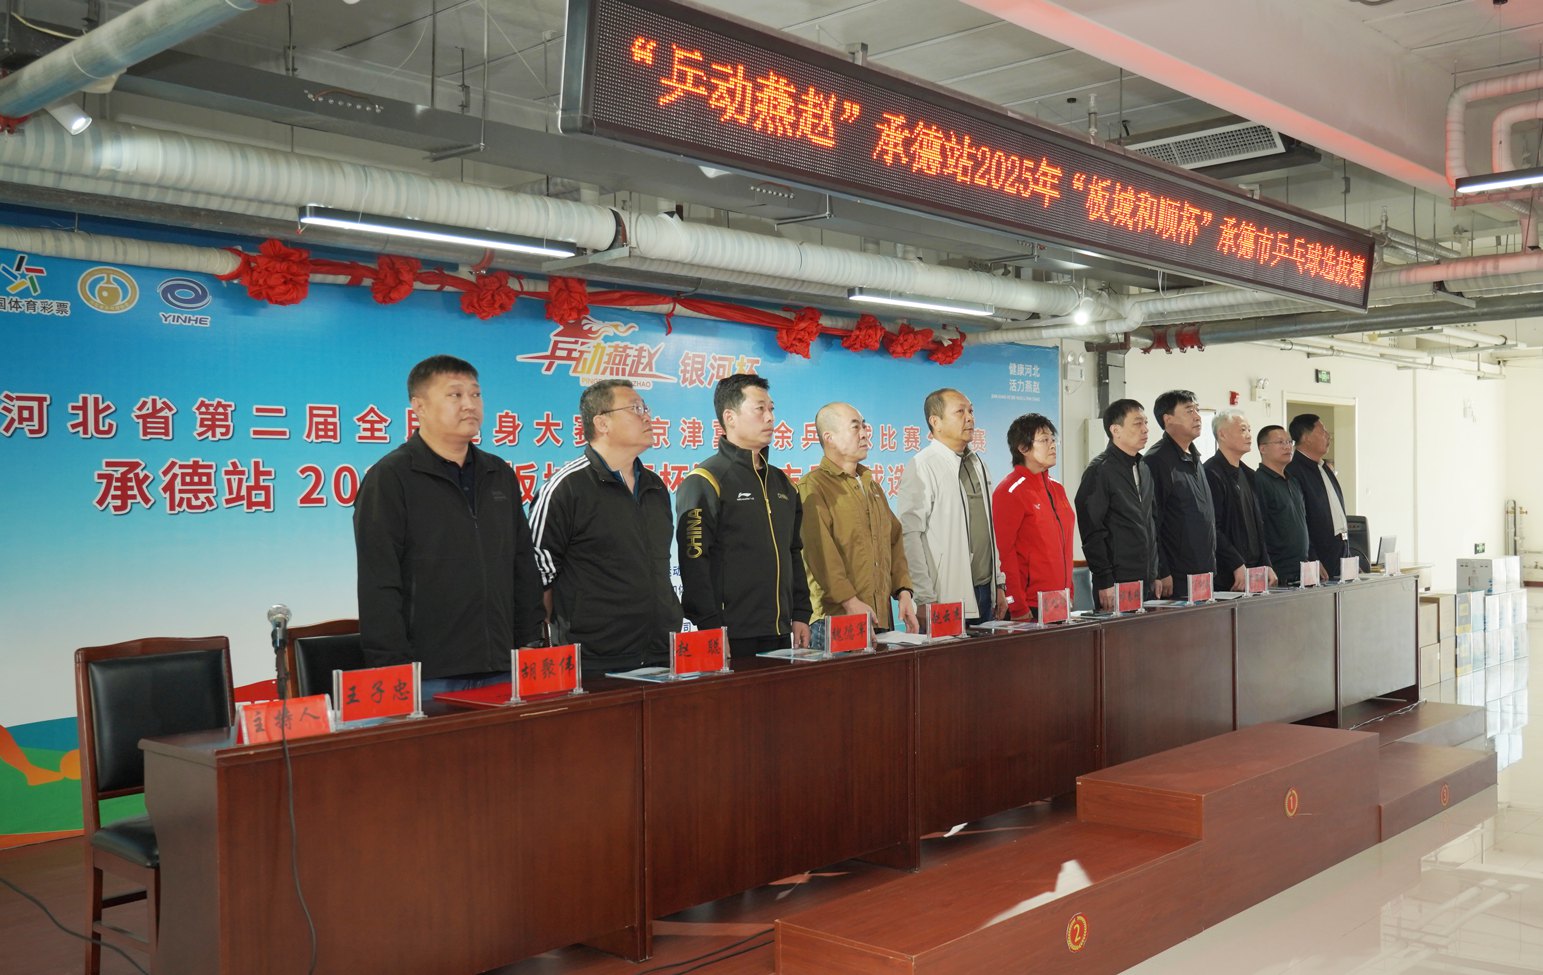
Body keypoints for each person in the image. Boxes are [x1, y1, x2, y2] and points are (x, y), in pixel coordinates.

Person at [354, 355, 544, 695]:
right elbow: (378, 581)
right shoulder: (391, 478)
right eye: (455, 395)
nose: (469, 404)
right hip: (428, 673)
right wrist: (392, 669)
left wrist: (530, 641)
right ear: (419, 406)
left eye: (476, 394)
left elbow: (522, 564)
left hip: (503, 664)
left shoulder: (498, 473)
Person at [529, 379, 683, 676]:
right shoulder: (566, 488)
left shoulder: (654, 486)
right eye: (635, 409)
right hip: (594, 661)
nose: (647, 417)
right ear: (602, 423)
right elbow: (538, 578)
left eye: (645, 408)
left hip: (661, 653)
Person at [676, 373, 812, 656]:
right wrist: (711, 626)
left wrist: (800, 612)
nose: (770, 417)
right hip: (731, 633)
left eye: (771, 409)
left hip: (780, 631)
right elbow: (694, 560)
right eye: (759, 409)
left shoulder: (783, 484)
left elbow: (793, 551)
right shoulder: (706, 480)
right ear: (730, 417)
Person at [799, 402, 918, 633]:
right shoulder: (813, 486)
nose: (864, 433)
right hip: (836, 621)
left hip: (879, 616)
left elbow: (894, 540)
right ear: (829, 438)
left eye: (864, 426)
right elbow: (820, 555)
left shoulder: (872, 486)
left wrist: (903, 591)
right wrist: (850, 602)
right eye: (855, 427)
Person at [896, 388, 1007, 626]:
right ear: (935, 422)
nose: (970, 418)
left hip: (985, 591)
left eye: (971, 411)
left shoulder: (977, 462)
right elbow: (910, 535)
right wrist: (924, 596)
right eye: (960, 412)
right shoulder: (922, 465)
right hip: (945, 596)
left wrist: (999, 583)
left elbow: (989, 530)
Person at [1075, 398, 1169, 609]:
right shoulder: (1100, 470)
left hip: (1146, 579)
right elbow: (1092, 531)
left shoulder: (1143, 467)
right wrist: (1104, 579)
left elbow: (1152, 523)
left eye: (1146, 423)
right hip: (1117, 581)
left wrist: (1156, 573)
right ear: (1115, 430)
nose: (1145, 429)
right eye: (1137, 423)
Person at [991, 413, 1075, 619]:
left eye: (1053, 439)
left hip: (1059, 601)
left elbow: (1064, 547)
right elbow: (1004, 553)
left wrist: (1069, 593)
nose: (1052, 445)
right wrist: (1017, 605)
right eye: (1044, 440)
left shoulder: (1057, 488)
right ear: (1023, 448)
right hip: (1029, 604)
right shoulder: (1010, 490)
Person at [1145, 389, 1217, 600]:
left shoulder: (1195, 457)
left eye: (1197, 409)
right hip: (1176, 576)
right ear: (1168, 419)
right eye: (1188, 411)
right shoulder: (1157, 460)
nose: (1197, 416)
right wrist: (1162, 570)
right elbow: (1152, 521)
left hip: (1203, 571)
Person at [1204, 409, 1276, 591]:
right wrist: (1235, 563)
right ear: (1222, 434)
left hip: (1253, 570)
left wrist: (1266, 563)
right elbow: (1213, 528)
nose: (1249, 435)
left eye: (1249, 430)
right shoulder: (1211, 473)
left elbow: (1258, 525)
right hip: (1228, 573)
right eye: (1243, 430)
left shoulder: (1249, 474)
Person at [1286, 413, 1351, 579]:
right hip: (1317, 558)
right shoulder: (1294, 471)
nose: (1328, 436)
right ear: (1306, 438)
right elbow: (1298, 522)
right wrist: (1312, 557)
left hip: (1339, 551)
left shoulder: (1324, 467)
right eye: (1323, 432)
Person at [1255, 424, 1310, 585]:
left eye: (1289, 442)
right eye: (1280, 442)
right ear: (1263, 448)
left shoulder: (1293, 481)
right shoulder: (1258, 481)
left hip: (1301, 571)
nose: (1287, 447)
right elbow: (1258, 530)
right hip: (1277, 573)